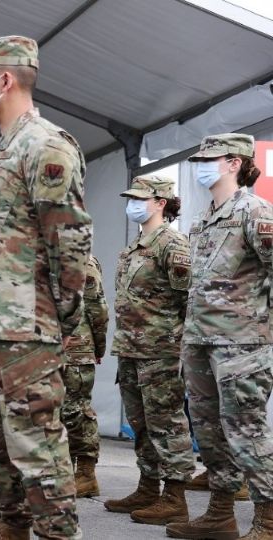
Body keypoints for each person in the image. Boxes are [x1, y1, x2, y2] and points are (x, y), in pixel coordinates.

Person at [0, 36, 92, 539]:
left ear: (4, 79)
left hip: (25, 326)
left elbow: (68, 241)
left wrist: (66, 316)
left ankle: (55, 533)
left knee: (37, 445)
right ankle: (11, 527)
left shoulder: (45, 145)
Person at [167, 133, 273, 540]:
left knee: (246, 430)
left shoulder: (255, 211)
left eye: (211, 159)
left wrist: (259, 326)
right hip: (200, 341)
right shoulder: (204, 219)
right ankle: (220, 513)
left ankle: (268, 518)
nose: (201, 166)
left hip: (241, 345)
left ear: (235, 163)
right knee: (208, 431)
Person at [103, 175, 195, 525]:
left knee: (167, 424)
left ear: (161, 203)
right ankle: (147, 485)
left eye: (141, 198)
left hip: (161, 352)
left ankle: (175, 497)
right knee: (141, 423)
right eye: (131, 198)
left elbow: (189, 301)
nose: (133, 204)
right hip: (130, 349)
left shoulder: (172, 245)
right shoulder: (133, 247)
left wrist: (179, 347)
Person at [61, 254, 108, 498]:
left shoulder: (83, 259)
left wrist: (98, 347)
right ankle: (64, 473)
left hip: (77, 350)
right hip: (51, 348)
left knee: (76, 411)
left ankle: (86, 474)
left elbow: (97, 307)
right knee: (55, 413)